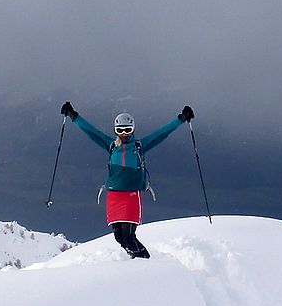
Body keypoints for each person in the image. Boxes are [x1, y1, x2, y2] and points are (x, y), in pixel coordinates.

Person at [60, 101, 194, 258]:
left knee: (129, 237)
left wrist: (181, 118)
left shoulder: (139, 146)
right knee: (119, 238)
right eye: (120, 130)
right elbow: (91, 132)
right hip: (114, 195)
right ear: (116, 131)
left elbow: (162, 133)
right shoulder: (111, 145)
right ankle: (136, 261)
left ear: (133, 129)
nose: (124, 133)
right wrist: (73, 115)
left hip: (131, 196)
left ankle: (146, 262)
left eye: (127, 129)